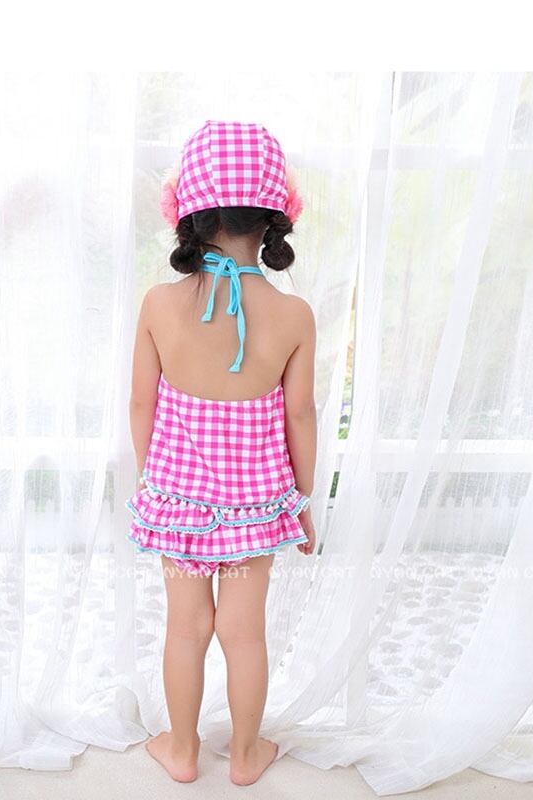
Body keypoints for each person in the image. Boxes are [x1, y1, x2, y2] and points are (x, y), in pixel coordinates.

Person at [125, 120, 317, 786]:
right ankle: (243, 755)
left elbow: (142, 405)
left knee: (186, 627)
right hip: (256, 508)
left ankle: (182, 750)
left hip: (179, 503)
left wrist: (156, 483)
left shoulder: (159, 304)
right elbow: (299, 415)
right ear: (273, 215)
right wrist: (301, 500)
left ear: (189, 210)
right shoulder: (293, 316)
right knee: (243, 630)